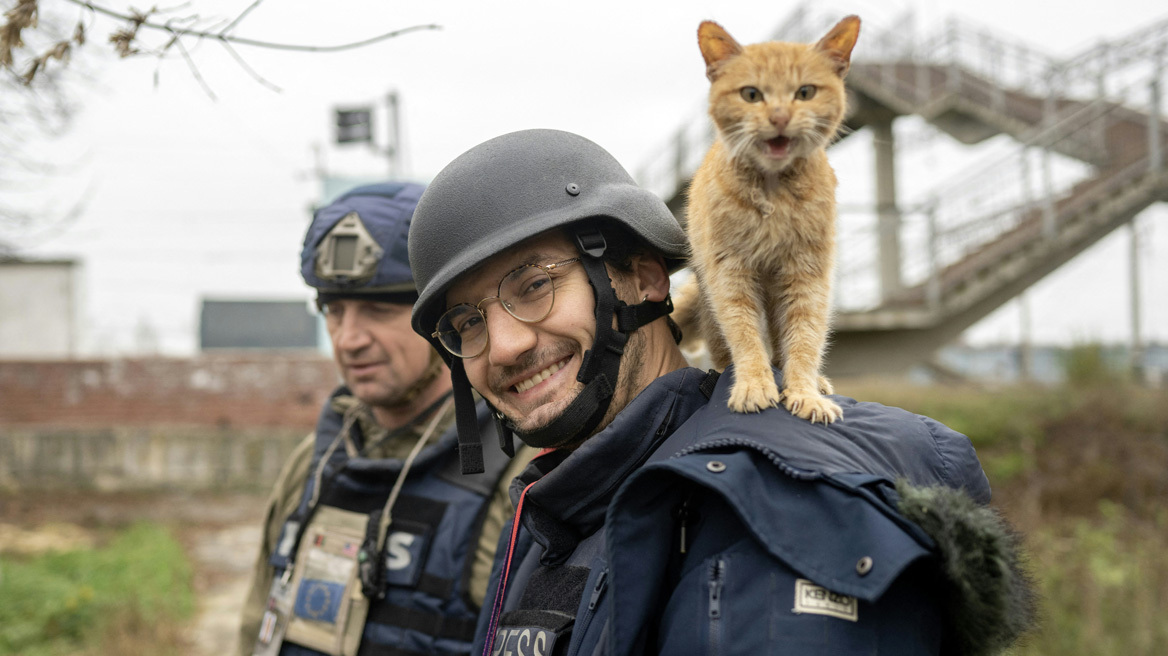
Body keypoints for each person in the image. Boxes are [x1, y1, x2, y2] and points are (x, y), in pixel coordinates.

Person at [406, 130, 1036, 655]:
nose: (504, 345)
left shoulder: (773, 509)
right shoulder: (556, 510)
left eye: (535, 285)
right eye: (467, 322)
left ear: (645, 278)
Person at [238, 182, 535, 656]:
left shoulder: (520, 472)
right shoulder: (315, 461)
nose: (348, 339)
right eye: (334, 311)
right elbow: (257, 625)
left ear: (443, 319)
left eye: (377, 311)